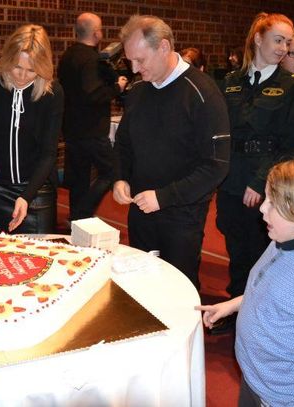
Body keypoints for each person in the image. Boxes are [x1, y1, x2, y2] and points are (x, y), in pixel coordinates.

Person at [197, 153, 294, 406]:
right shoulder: (281, 242)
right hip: (255, 380)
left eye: (272, 202)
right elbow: (267, 291)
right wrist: (234, 304)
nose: (261, 207)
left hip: (283, 398)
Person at [113, 15, 230, 292]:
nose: (134, 68)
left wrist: (164, 198)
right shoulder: (139, 90)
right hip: (140, 208)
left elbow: (217, 165)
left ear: (164, 47)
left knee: (177, 289)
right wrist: (120, 177)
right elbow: (124, 144)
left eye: (140, 60)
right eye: (130, 60)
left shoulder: (203, 93)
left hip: (181, 215)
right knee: (141, 285)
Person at [214, 12, 294, 334]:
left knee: (259, 251)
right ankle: (237, 306)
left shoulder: (290, 87)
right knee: (235, 244)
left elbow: (289, 143)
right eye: (278, 40)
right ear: (258, 39)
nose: (284, 48)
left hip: (262, 181)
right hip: (229, 179)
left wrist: (259, 181)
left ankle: (256, 314)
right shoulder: (231, 82)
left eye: (287, 42)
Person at [0, 24, 64, 234]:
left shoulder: (53, 93)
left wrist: (27, 195)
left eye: (31, 70)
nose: (22, 76)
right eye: (17, 67)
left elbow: (49, 152)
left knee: (40, 256)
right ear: (7, 59)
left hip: (37, 189)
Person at [58, 13, 128, 222]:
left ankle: (76, 219)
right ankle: (82, 213)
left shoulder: (68, 55)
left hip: (71, 127)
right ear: (97, 33)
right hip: (92, 129)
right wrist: (117, 87)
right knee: (112, 171)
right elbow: (93, 94)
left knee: (79, 176)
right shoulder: (91, 59)